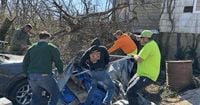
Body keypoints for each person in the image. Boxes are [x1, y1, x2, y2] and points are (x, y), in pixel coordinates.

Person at [22, 31, 63, 105]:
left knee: (36, 96)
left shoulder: (31, 47)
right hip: (44, 75)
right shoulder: (51, 47)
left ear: (39, 38)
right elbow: (58, 61)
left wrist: (27, 74)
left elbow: (25, 62)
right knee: (55, 93)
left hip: (32, 76)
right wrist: (61, 72)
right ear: (48, 38)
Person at [126, 30, 161, 105]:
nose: (140, 40)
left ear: (146, 38)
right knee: (130, 87)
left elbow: (139, 59)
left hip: (147, 75)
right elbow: (138, 38)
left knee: (130, 92)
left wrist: (133, 55)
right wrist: (131, 35)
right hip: (141, 73)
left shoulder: (149, 46)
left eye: (142, 38)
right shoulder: (150, 43)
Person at [80, 38, 114, 105]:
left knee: (93, 88)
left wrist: (89, 68)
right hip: (102, 72)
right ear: (99, 44)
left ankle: (87, 103)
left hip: (93, 73)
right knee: (111, 87)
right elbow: (107, 59)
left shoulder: (89, 51)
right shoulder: (103, 49)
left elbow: (81, 62)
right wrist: (105, 65)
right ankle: (105, 102)